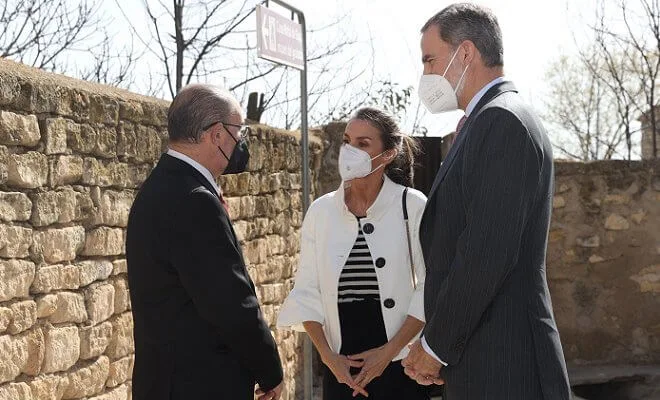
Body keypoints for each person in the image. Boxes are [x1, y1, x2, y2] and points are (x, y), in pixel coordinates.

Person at [402, 3, 572, 399]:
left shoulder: (503, 122)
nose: (425, 74)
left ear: (465, 54)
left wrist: (435, 346)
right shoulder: (487, 123)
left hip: (507, 365)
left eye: (430, 60)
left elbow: (485, 253)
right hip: (483, 360)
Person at [126, 84, 284, 400]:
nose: (241, 142)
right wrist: (270, 372)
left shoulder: (159, 187)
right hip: (199, 384)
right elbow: (230, 303)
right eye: (239, 131)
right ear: (216, 135)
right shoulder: (194, 201)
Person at [277, 107, 429, 400]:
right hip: (340, 369)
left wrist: (388, 354)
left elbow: (429, 286)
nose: (350, 150)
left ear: (387, 154)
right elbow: (307, 291)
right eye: (347, 141)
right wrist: (328, 358)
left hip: (398, 366)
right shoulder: (321, 212)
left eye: (363, 143)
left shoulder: (412, 205)